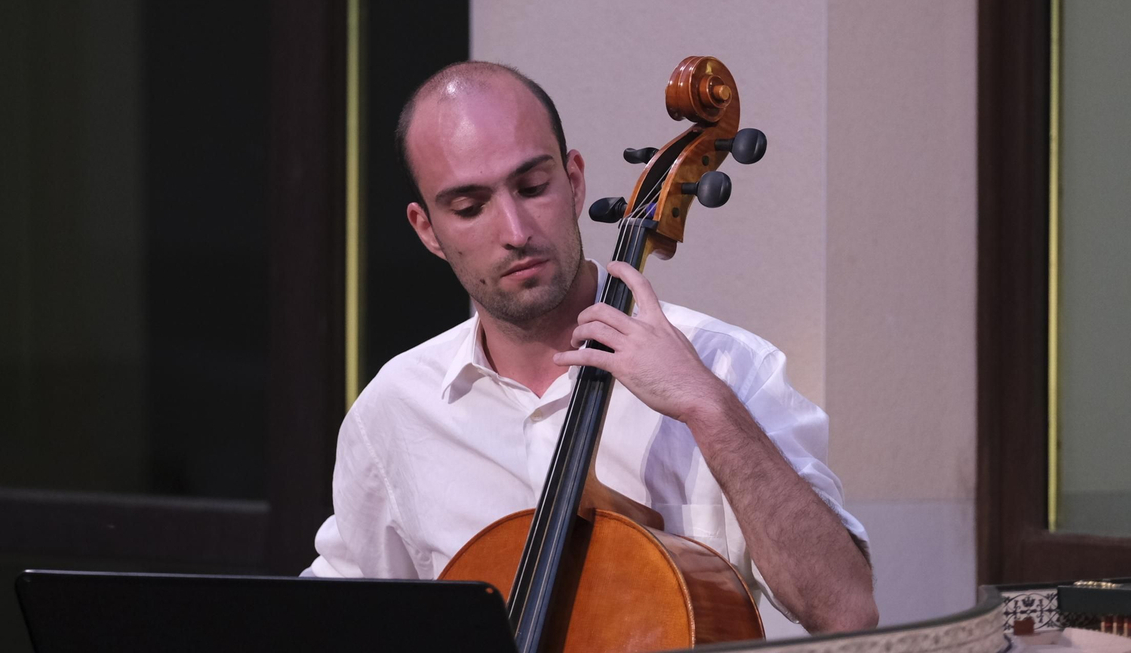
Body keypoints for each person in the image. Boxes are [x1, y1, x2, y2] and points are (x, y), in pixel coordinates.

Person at [305, 61, 878, 633]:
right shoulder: (396, 410)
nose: (515, 230)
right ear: (428, 229)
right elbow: (332, 621)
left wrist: (708, 408)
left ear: (574, 181)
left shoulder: (728, 367)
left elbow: (846, 612)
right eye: (470, 207)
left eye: (533, 187)